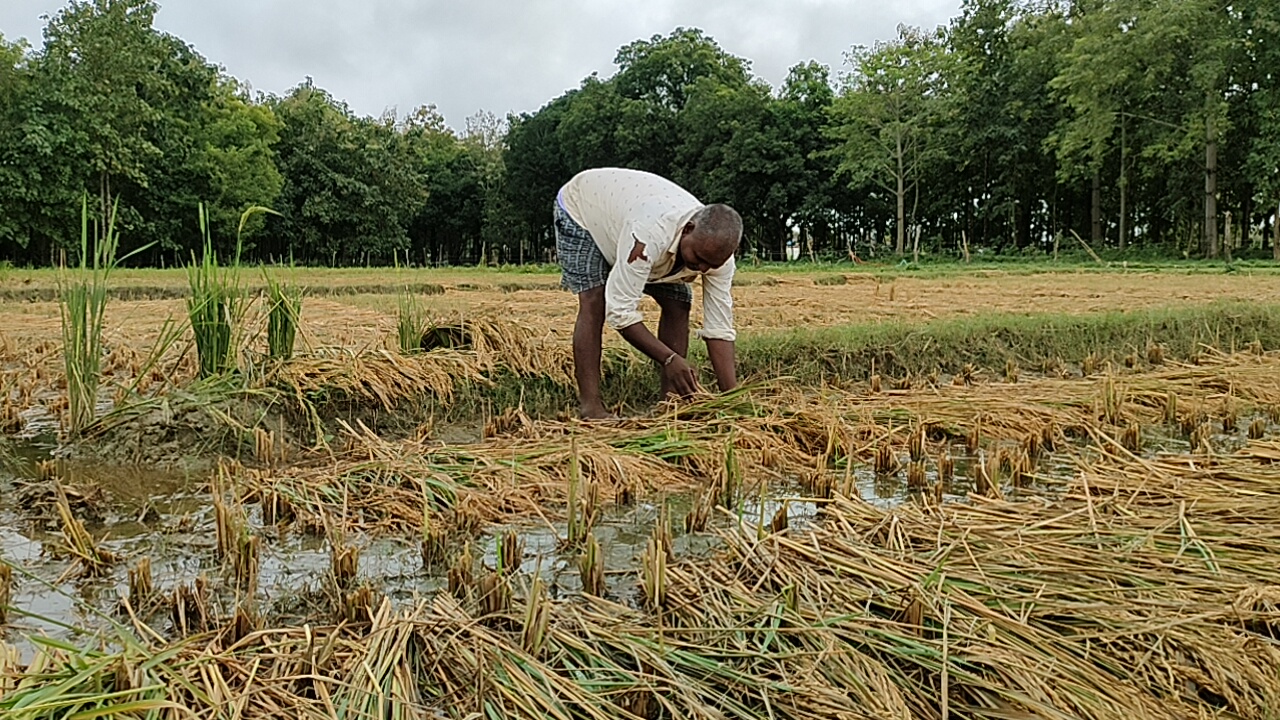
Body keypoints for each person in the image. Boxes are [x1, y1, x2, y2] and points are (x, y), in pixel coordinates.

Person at [554, 167, 741, 419]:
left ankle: (670, 403)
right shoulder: (647, 236)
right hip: (584, 210)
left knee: (678, 303)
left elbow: (719, 328)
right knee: (594, 300)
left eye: (712, 265)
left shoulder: (717, 257)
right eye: (698, 258)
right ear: (688, 229)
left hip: (635, 221)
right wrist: (669, 358)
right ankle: (591, 407)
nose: (703, 269)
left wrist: (732, 400)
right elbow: (619, 312)